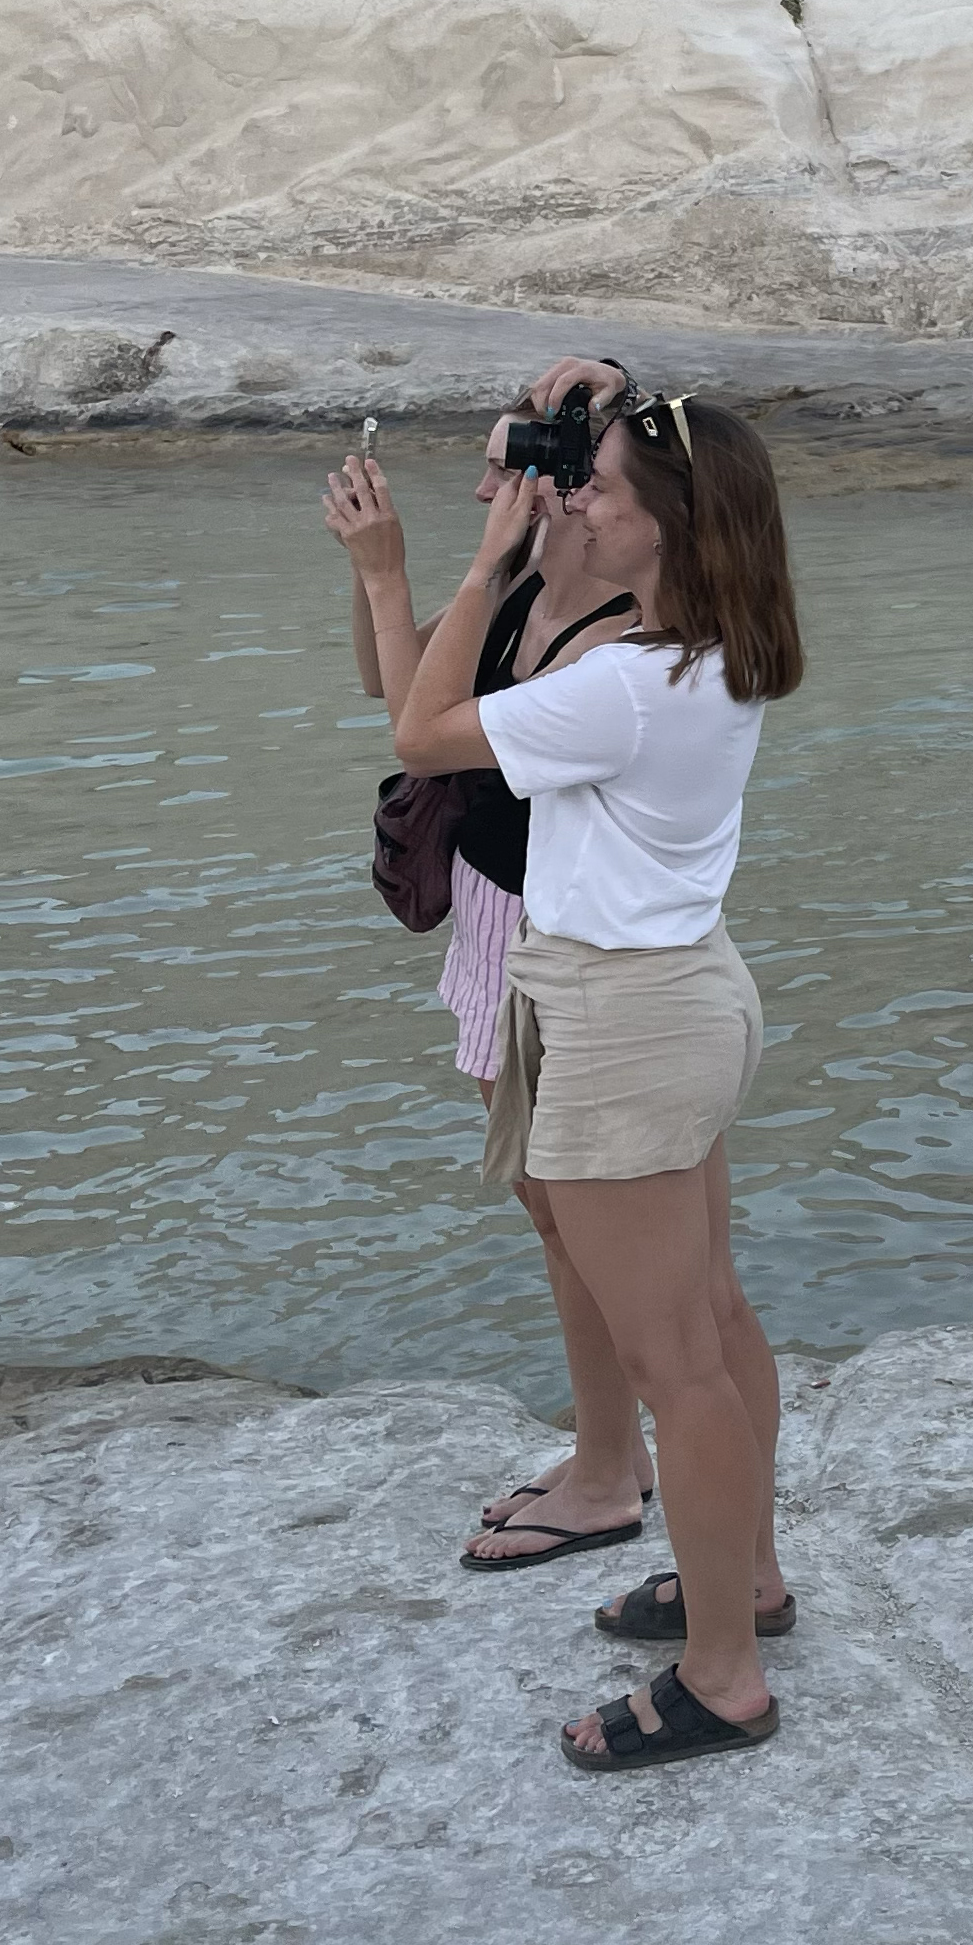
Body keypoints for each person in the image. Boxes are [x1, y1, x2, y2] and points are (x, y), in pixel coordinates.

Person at [395, 380, 805, 1770]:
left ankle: (722, 1678)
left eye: (605, 496)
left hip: (626, 1021)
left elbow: (420, 730)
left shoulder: (622, 688)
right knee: (715, 1315)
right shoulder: (711, 650)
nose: (579, 504)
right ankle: (741, 1580)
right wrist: (579, 415)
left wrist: (479, 563)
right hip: (682, 992)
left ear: (668, 529)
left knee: (672, 1363)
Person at [326, 411, 659, 1560]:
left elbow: (425, 735)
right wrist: (388, 573)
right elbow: (390, 679)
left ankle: (612, 1473)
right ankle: (609, 1447)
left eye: (511, 475)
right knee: (550, 1213)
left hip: (554, 932)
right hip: (489, 915)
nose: (489, 496)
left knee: (578, 1222)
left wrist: (437, 570)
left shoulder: (611, 640)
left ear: (578, 494)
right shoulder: (527, 590)